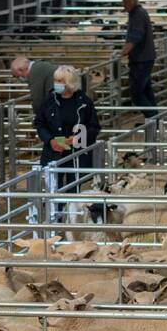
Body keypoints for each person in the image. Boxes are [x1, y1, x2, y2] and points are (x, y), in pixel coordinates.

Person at [34, 65, 101, 225]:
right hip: (53, 152)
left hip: (76, 154)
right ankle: (55, 223)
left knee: (73, 189)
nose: (56, 84)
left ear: (69, 83)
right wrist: (49, 140)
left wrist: (77, 137)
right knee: (54, 189)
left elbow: (94, 126)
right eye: (55, 80)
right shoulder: (49, 100)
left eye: (60, 81)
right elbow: (39, 123)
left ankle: (72, 223)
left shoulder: (84, 102)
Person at [118, 0, 156, 117]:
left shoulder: (138, 15)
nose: (123, 5)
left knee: (136, 93)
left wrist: (121, 53)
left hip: (141, 59)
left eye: (125, 2)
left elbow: (135, 37)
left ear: (132, 2)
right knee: (146, 90)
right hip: (144, 58)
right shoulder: (136, 13)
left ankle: (152, 117)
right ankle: (154, 119)